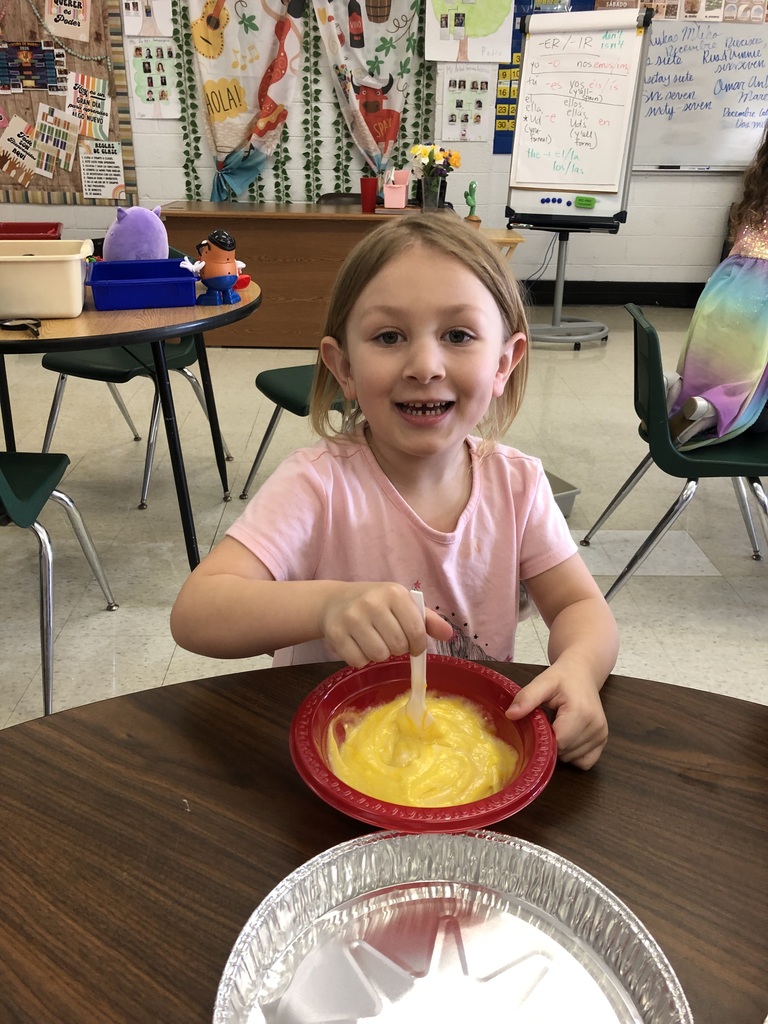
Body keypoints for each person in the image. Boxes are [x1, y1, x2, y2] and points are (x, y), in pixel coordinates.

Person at [170, 217, 619, 770]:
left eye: (458, 336)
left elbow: (580, 606)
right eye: (389, 337)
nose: (425, 367)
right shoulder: (317, 485)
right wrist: (328, 605)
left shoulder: (518, 485)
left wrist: (579, 668)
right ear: (345, 367)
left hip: (469, 758)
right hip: (331, 760)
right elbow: (196, 613)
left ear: (504, 362)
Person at [669, 121, 768, 447]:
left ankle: (680, 394)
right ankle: (717, 411)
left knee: (715, 365)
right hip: (761, 304)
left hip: (725, 289)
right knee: (750, 386)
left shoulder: (758, 190)